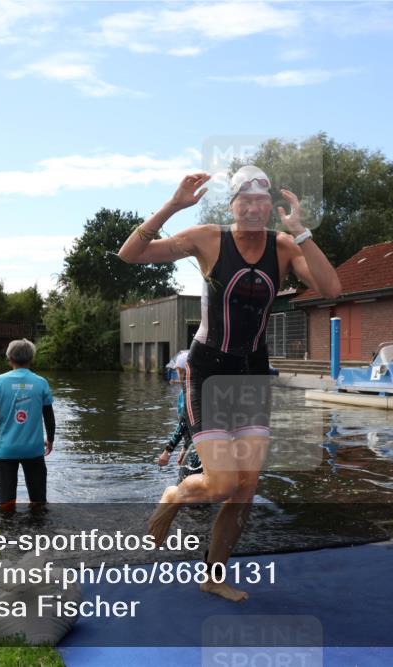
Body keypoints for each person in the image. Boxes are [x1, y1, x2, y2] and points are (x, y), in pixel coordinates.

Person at [118, 165, 341, 601]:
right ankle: (176, 494)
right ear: (233, 205)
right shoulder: (207, 238)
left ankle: (213, 575)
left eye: (262, 200)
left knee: (245, 488)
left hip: (253, 371)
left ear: (271, 207)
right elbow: (130, 254)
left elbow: (332, 290)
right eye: (245, 199)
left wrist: (301, 232)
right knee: (220, 485)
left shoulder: (283, 246)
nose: (254, 207)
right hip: (210, 369)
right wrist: (173, 205)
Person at [0, 338, 55, 511]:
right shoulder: (41, 382)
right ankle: (38, 532)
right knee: (39, 503)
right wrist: (50, 439)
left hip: (6, 450)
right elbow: (49, 417)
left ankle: (8, 533)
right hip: (34, 450)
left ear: (9, 358)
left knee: (6, 505)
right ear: (31, 358)